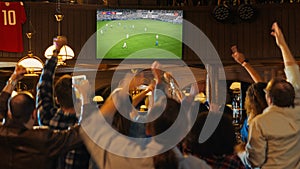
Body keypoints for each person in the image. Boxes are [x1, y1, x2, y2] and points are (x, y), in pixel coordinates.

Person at [236, 22, 300, 169]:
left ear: (269, 99)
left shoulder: (259, 123)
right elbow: (294, 74)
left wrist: (240, 153)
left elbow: (254, 162)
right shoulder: (297, 112)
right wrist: (282, 44)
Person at [0, 65, 83, 169]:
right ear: (34, 114)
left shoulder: (2, 132)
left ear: (9, 113)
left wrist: (13, 79)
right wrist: (87, 101)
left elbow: (1, 106)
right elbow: (78, 134)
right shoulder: (41, 138)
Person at [36, 36, 90, 169]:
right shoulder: (85, 125)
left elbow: (44, 85)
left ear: (57, 99)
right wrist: (85, 96)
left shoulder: (48, 119)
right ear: (78, 97)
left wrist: (56, 51)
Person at [231, 46, 268, 143]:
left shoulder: (252, 120)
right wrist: (244, 63)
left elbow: (259, 86)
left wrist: (244, 63)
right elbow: (259, 86)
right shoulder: (269, 115)